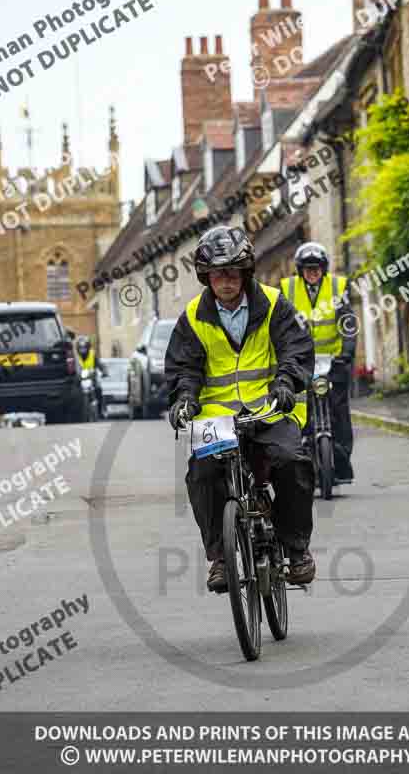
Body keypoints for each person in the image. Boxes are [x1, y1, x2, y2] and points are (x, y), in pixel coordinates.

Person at [165, 226, 316, 593]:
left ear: (245, 272)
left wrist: (286, 383)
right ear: (207, 277)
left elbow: (296, 349)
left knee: (292, 462)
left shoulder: (274, 303)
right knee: (202, 474)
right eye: (218, 274)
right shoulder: (192, 317)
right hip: (217, 419)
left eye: (233, 272)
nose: (226, 281)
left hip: (270, 410)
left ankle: (296, 551)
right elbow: (184, 368)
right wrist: (184, 398)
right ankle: (219, 557)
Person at [280, 242, 356, 483]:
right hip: (302, 364)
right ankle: (300, 462)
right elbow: (280, 326)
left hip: (333, 362)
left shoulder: (337, 287)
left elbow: (348, 324)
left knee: (339, 412)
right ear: (300, 270)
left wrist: (347, 351)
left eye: (317, 268)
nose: (313, 273)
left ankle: (342, 462)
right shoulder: (287, 289)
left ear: (324, 269)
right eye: (308, 269)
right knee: (297, 412)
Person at [76, 335, 105, 414]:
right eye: (81, 348)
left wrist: (104, 371)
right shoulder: (76, 356)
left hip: (92, 377)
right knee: (74, 392)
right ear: (78, 348)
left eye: (84, 348)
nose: (83, 350)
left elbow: (99, 364)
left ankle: (101, 410)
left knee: (99, 389)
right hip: (80, 378)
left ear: (88, 347)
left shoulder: (92, 354)